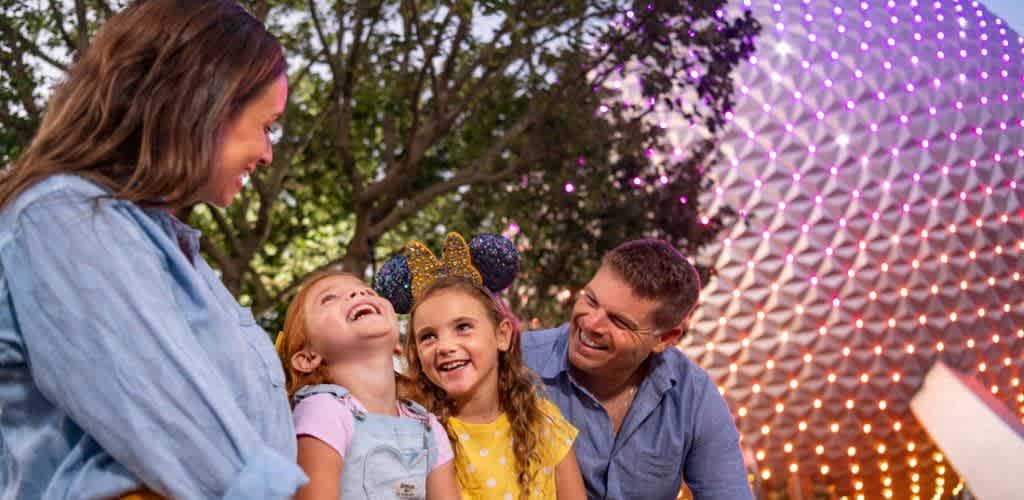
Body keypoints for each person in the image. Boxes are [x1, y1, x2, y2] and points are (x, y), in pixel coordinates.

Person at [0, 0, 307, 498]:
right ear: (206, 102)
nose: (268, 153)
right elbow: (198, 443)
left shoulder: (170, 249)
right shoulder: (65, 219)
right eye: (266, 125)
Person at [521, 239, 752, 500]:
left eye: (619, 321)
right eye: (591, 300)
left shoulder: (693, 396)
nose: (591, 324)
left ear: (665, 338)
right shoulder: (517, 363)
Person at [389, 233, 586, 500]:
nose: (445, 346)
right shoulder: (414, 430)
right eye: (428, 336)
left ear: (502, 335)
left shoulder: (542, 420)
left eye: (463, 327)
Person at [274, 270, 459, 499]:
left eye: (368, 290)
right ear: (308, 357)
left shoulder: (428, 427)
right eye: (329, 298)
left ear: (397, 344)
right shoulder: (323, 410)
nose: (359, 292)